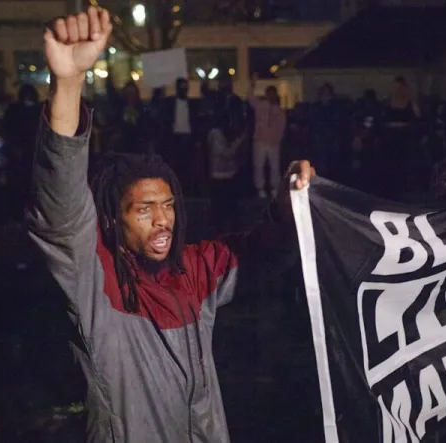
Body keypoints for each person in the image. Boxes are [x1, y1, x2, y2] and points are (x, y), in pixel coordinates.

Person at [29, 8, 315, 443]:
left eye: (167, 205)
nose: (162, 219)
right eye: (143, 209)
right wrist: (68, 82)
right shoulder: (95, 281)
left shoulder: (194, 270)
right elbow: (62, 201)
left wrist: (286, 201)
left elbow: (261, 251)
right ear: (111, 218)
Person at [248, 74, 286, 198]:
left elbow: (281, 128)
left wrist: (277, 140)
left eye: (272, 94)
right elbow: (250, 98)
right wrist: (252, 84)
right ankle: (261, 189)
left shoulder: (280, 111)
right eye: (268, 93)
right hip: (260, 141)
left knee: (274, 167)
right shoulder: (260, 105)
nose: (270, 96)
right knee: (259, 166)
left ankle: (274, 188)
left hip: (273, 143)